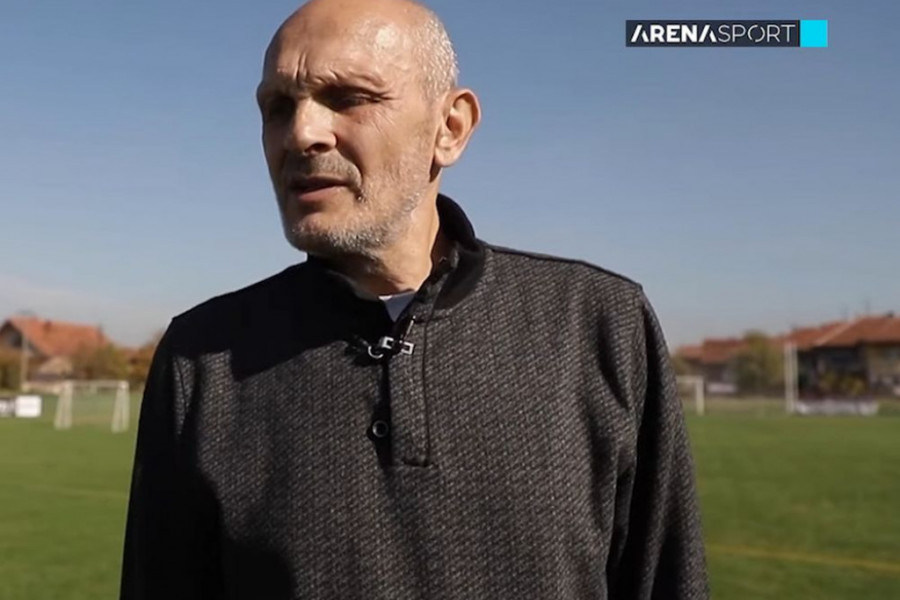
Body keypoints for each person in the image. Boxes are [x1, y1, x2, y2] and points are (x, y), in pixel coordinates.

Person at [120, 0, 709, 598]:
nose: (301, 133)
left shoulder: (600, 324)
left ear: (450, 128)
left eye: (349, 97)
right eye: (278, 107)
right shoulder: (202, 360)